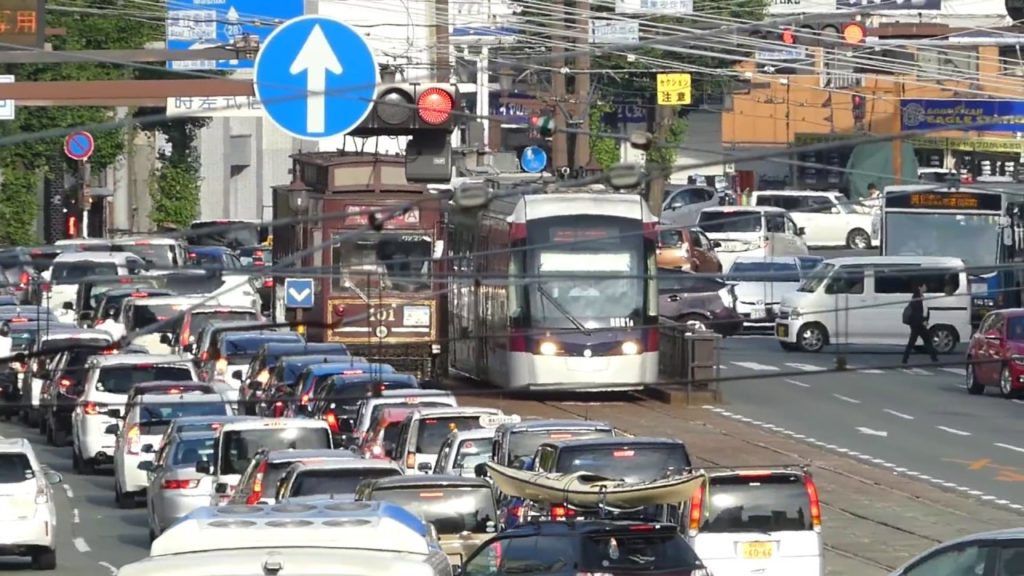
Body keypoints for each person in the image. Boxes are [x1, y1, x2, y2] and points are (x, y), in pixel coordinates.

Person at [902, 283, 939, 364]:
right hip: (916, 323)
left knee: (923, 341)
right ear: (920, 287)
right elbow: (917, 312)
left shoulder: (921, 296)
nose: (926, 287)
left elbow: (925, 310)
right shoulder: (916, 297)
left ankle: (934, 358)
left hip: (920, 323)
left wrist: (926, 319)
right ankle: (934, 358)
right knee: (921, 341)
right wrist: (923, 320)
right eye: (924, 286)